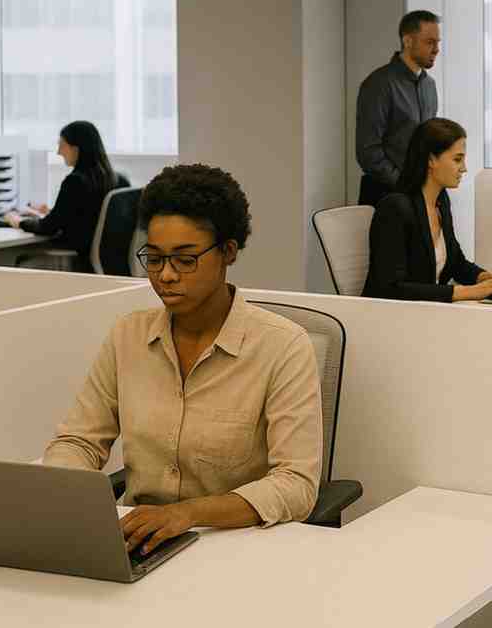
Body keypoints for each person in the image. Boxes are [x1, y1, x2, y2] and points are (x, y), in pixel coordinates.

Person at [43, 164, 323, 554]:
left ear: (228, 252)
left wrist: (188, 514)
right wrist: (57, 489)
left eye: (185, 259)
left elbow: (297, 484)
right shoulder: (128, 336)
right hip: (138, 543)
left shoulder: (283, 346)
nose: (166, 276)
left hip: (237, 548)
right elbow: (79, 440)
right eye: (154, 259)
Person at [363, 118, 492, 302]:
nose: (464, 168)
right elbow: (390, 289)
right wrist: (468, 292)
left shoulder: (441, 201)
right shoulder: (394, 208)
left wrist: (490, 279)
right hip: (391, 318)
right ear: (431, 160)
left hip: (429, 313)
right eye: (457, 159)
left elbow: (456, 263)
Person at [5, 120, 130, 271]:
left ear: (76, 149)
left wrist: (18, 221)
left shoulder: (75, 182)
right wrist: (53, 212)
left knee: (17, 260)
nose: (58, 152)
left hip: (80, 256)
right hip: (112, 260)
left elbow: (48, 227)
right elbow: (90, 216)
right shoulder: (120, 180)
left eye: (62, 145)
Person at [355, 10, 442, 207]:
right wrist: (405, 184)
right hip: (385, 196)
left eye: (438, 42)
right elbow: (368, 153)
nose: (436, 49)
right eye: (429, 42)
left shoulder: (430, 86)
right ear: (408, 41)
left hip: (418, 195)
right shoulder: (378, 84)